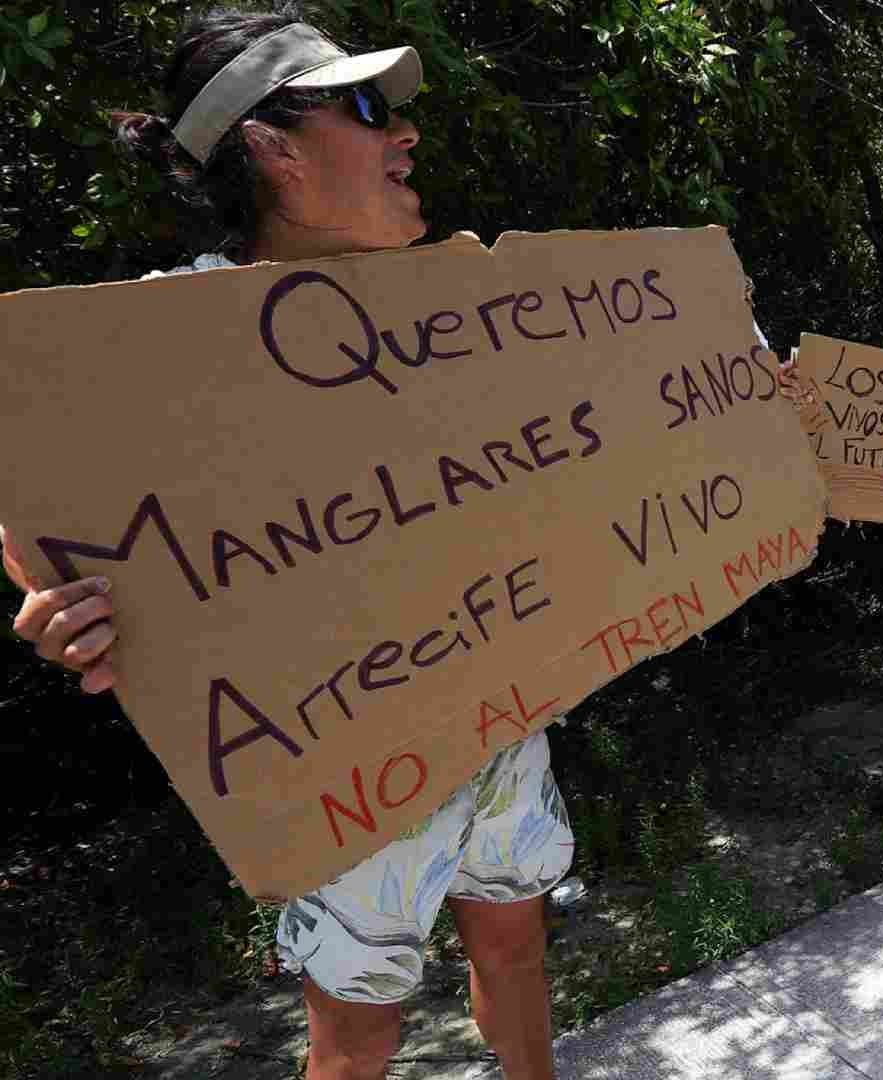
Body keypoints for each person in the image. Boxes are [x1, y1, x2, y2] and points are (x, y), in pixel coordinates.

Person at [3, 11, 571, 1079]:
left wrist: (728, 424)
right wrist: (63, 620)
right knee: (356, 1035)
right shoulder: (151, 350)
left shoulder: (465, 304)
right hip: (349, 776)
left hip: (502, 727)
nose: (403, 133)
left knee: (519, 950)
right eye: (364, 108)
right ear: (271, 150)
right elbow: (49, 545)